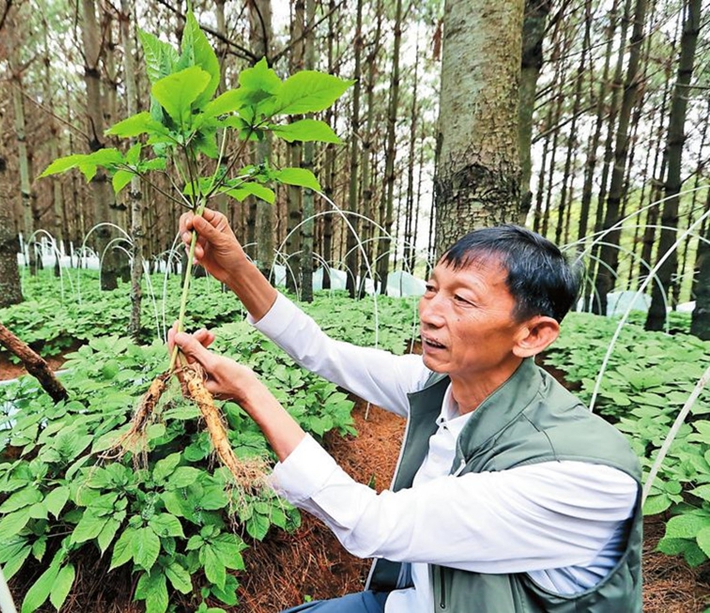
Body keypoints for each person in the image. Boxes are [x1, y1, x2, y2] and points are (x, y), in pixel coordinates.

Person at [168, 208, 642, 613]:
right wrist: (235, 272)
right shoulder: (439, 384)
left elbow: (372, 524)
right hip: (408, 599)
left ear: (533, 335)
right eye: (432, 289)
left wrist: (251, 391)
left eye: (462, 299)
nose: (432, 312)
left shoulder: (584, 476)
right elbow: (321, 352)